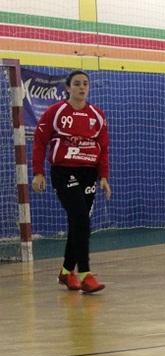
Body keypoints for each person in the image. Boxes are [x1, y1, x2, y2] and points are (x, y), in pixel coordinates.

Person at [32, 70, 111, 294]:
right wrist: (39, 172)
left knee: (79, 223)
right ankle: (85, 274)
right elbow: (40, 141)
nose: (81, 87)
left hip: (88, 173)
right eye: (76, 84)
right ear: (68, 88)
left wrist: (104, 176)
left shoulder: (97, 115)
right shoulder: (55, 112)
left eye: (85, 84)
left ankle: (67, 273)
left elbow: (103, 148)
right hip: (64, 172)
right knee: (80, 220)